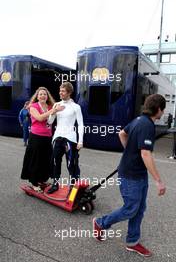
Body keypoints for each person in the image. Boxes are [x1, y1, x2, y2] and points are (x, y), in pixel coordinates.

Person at [93, 94, 166, 257]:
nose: (163, 113)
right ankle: (100, 223)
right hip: (131, 175)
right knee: (130, 209)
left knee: (139, 209)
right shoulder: (147, 125)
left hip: (136, 173)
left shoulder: (138, 120)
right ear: (159, 109)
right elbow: (146, 153)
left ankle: (132, 241)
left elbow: (121, 134)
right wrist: (159, 181)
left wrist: (129, 151)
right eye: (163, 109)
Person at [21, 87, 64, 192]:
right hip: (36, 137)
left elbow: (51, 121)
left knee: (45, 160)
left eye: (45, 94)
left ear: (47, 96)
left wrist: (55, 110)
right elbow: (40, 118)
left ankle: (41, 179)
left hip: (47, 137)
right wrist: (53, 111)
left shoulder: (50, 106)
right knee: (36, 160)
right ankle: (34, 182)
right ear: (37, 96)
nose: (43, 96)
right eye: (40, 94)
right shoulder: (33, 106)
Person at [47, 82, 84, 194]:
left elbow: (81, 124)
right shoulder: (56, 105)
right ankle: (55, 184)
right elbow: (49, 122)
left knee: (71, 163)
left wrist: (80, 141)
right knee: (55, 162)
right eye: (60, 90)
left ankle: (73, 187)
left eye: (63, 91)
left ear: (69, 92)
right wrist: (54, 111)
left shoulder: (76, 107)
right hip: (58, 137)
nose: (60, 93)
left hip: (70, 139)